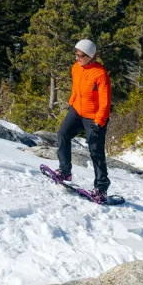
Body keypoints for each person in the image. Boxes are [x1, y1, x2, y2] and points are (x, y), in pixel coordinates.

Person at [56, 38, 111, 198]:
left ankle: (101, 189)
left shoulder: (100, 74)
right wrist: (71, 102)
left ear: (90, 56)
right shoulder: (76, 68)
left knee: (96, 152)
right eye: (76, 54)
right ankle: (65, 172)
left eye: (80, 55)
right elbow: (76, 88)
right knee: (63, 134)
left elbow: (105, 101)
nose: (77, 58)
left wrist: (99, 121)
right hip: (77, 111)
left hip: (94, 117)